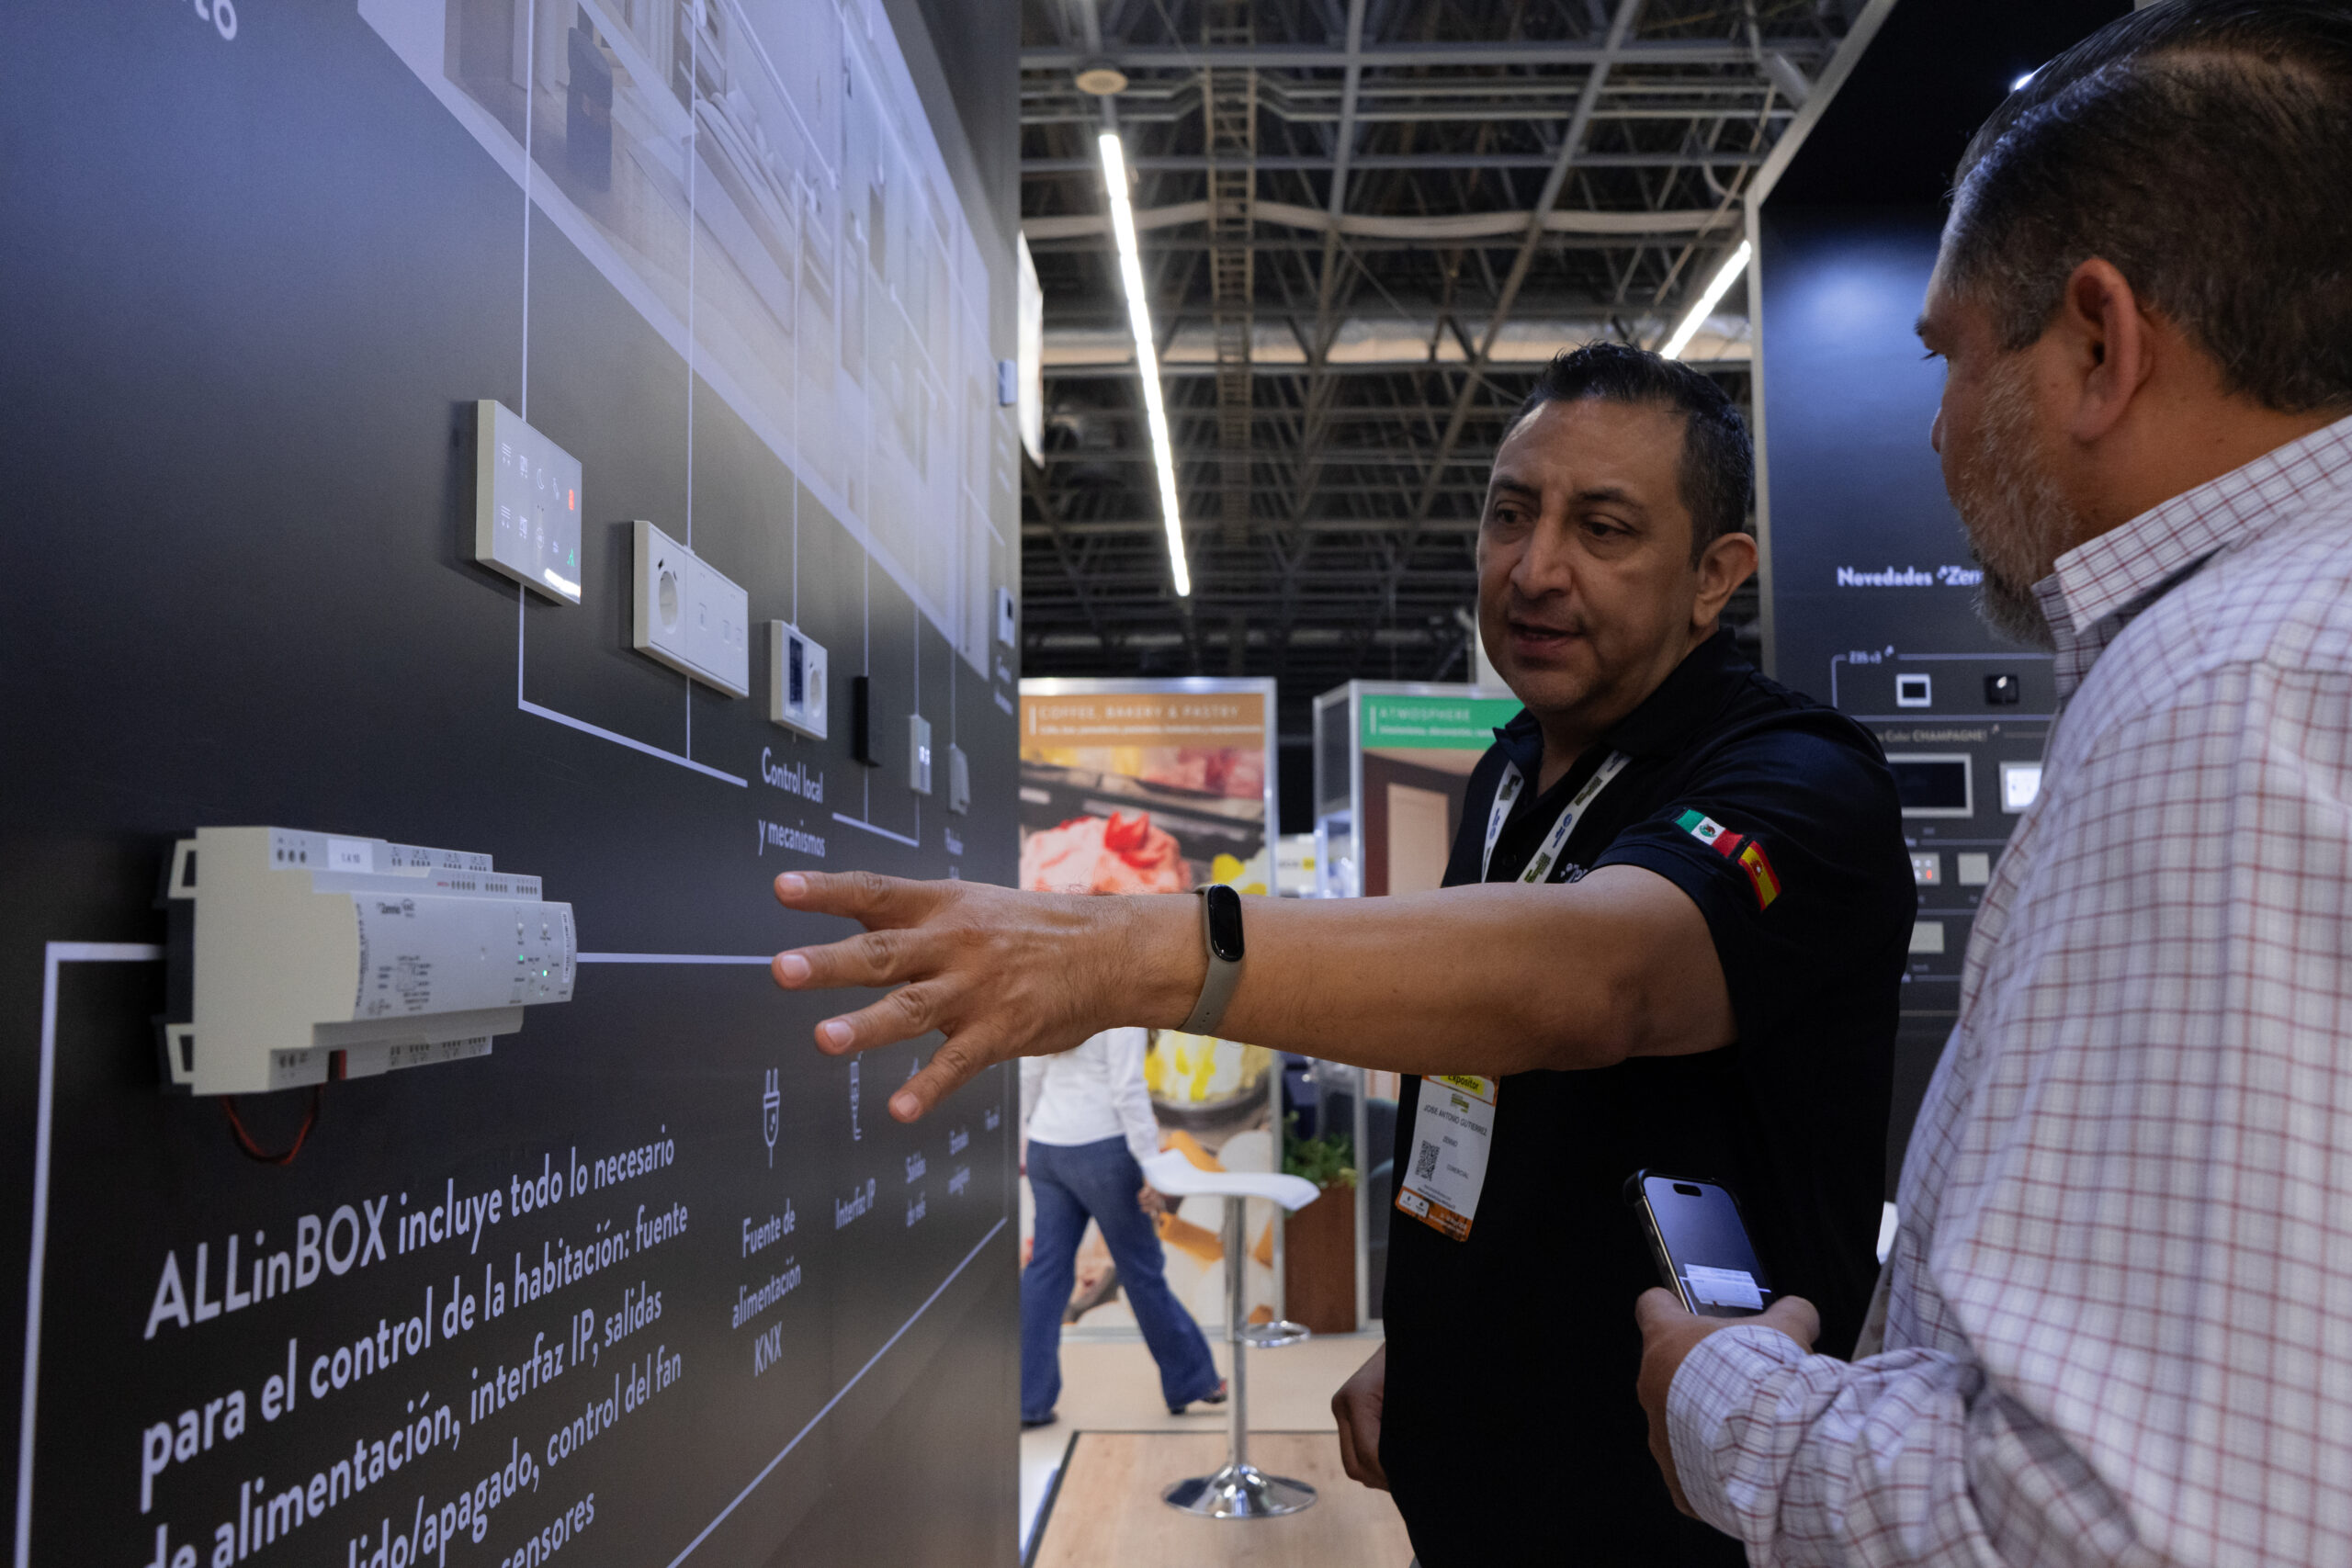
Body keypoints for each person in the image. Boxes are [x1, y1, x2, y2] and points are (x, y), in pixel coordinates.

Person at [767, 341, 1917, 1563]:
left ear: (1713, 575)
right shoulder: (1510, 772)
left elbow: (1595, 979)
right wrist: (1427, 1336)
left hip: (1688, 1503)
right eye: (1511, 515)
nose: (1536, 568)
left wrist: (1124, 951)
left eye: (1603, 529)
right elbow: (1491, 1096)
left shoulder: (1797, 778)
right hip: (1481, 1472)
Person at [1629, 6, 2352, 1563]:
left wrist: (1724, 1399)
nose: (1939, 429)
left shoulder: (2223, 703)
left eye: (1951, 356)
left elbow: (2083, 1522)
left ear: (2097, 344)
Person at [1017, 1027, 1223, 1427]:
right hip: (1103, 1150)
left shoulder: (1057, 997)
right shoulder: (1121, 1011)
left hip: (1047, 1147)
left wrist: (1025, 1136)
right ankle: (1192, 1381)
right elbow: (1127, 1089)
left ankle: (1028, 1400)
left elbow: (1028, 1074)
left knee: (1046, 1271)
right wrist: (1151, 1165)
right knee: (1141, 1270)